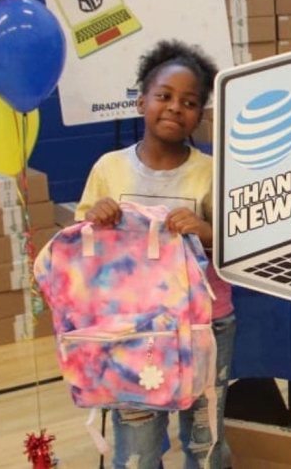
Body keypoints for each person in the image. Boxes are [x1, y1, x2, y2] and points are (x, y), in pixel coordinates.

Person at [76, 39, 233, 469]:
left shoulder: (212, 172)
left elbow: (235, 249)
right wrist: (96, 221)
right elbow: (81, 251)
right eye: (164, 96)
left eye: (189, 101)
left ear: (200, 115)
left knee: (205, 439)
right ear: (142, 100)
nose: (174, 107)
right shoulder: (109, 168)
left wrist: (205, 232)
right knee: (138, 444)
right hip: (130, 330)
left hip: (204, 325)